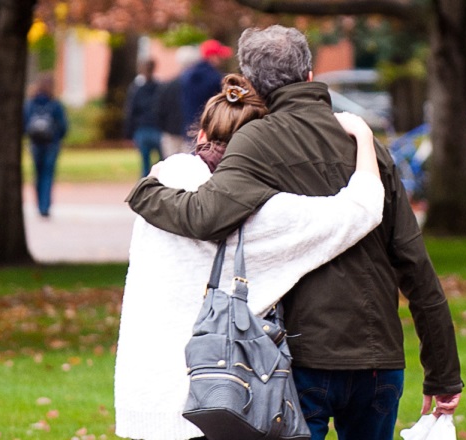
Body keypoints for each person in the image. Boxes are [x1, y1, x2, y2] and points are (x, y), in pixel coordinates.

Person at [126, 25, 464, 439]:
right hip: (378, 356)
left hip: (301, 357)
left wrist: (145, 192)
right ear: (309, 74)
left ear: (250, 82)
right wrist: (443, 374)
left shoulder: (257, 140)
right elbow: (414, 263)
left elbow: (204, 216)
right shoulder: (365, 146)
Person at [115, 73, 385, 440]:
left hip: (147, 394)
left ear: (201, 134)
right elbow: (363, 208)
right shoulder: (266, 213)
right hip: (225, 395)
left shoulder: (162, 181)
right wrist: (364, 137)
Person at [24, 75, 67, 218]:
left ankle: (39, 204)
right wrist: (57, 137)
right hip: (51, 144)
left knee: (37, 175)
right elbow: (63, 126)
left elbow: (25, 123)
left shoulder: (31, 103)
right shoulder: (55, 104)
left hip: (35, 144)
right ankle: (45, 205)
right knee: (48, 175)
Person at [178, 40, 230, 131]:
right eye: (220, 56)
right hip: (210, 126)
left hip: (191, 125)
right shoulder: (214, 78)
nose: (223, 59)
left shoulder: (188, 75)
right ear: (212, 57)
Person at [125, 59, 164, 177]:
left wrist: (129, 132)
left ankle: (146, 184)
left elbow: (131, 111)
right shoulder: (160, 87)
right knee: (162, 162)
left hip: (142, 128)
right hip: (157, 128)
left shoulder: (136, 89)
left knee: (145, 164)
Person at [157, 46, 198, 158]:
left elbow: (160, 109)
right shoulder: (198, 85)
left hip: (171, 131)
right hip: (190, 131)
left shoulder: (169, 85)